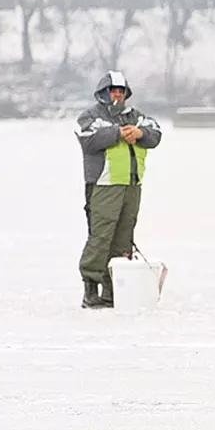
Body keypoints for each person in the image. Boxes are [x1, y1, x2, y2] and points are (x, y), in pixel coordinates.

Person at [76, 71, 163, 309]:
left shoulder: (136, 117)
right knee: (100, 237)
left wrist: (140, 133)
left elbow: (156, 134)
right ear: (103, 93)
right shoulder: (91, 117)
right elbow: (87, 138)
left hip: (131, 186)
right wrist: (118, 133)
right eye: (113, 91)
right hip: (104, 185)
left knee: (123, 239)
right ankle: (91, 289)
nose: (117, 95)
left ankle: (113, 289)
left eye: (121, 91)